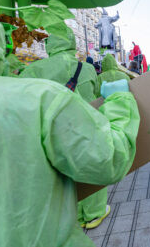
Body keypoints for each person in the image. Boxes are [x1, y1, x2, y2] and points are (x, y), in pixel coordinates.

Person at [0, 8, 140, 246]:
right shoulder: (47, 91)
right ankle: (94, 213)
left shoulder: (32, 72)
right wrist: (120, 102)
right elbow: (107, 159)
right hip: (78, 128)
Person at [20, 25, 113, 229]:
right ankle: (93, 213)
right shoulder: (87, 68)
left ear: (49, 44)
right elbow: (97, 95)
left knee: (62, 172)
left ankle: (70, 214)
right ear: (71, 42)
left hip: (53, 131)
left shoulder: (33, 70)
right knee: (92, 166)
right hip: (88, 127)